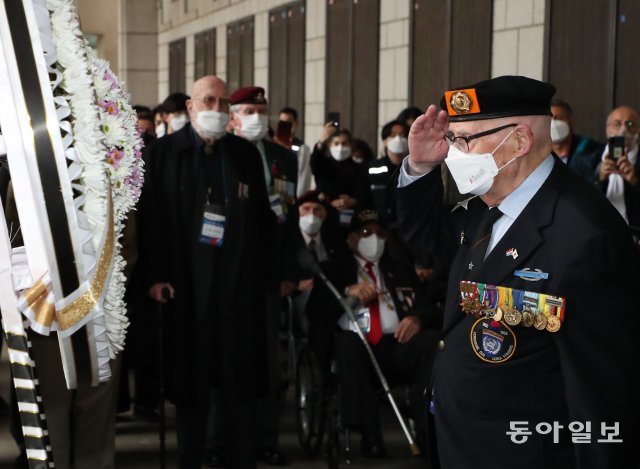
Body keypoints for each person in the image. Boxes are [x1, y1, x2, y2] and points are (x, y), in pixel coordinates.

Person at [395, 75, 640, 468]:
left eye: (465, 140)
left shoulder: (585, 236)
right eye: (452, 139)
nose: (453, 153)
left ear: (520, 141)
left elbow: (603, 394)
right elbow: (425, 240)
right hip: (463, 440)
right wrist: (421, 165)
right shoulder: (484, 206)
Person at [139, 75, 275, 469]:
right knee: (192, 389)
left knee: (239, 388)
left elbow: (263, 220)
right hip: (186, 290)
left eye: (223, 103)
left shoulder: (244, 155)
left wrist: (268, 275)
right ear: (190, 107)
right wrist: (154, 276)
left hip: (237, 290)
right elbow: (150, 222)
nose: (216, 109)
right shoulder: (164, 154)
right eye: (208, 101)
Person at [307, 209, 437, 458]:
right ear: (351, 239)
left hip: (395, 343)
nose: (373, 239)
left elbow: (427, 305)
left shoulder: (399, 268)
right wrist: (347, 293)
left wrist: (416, 318)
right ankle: (369, 432)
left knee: (430, 342)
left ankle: (425, 423)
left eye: (379, 234)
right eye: (366, 233)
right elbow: (315, 312)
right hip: (356, 348)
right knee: (347, 343)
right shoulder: (333, 270)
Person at [227, 85, 297, 465]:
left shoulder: (281, 159)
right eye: (250, 110)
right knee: (230, 358)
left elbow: (288, 224)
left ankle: (265, 438)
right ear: (233, 116)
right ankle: (221, 440)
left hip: (270, 276)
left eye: (261, 110)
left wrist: (288, 271)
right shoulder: (224, 153)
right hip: (232, 277)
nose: (257, 117)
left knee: (269, 361)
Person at [310, 125, 365, 228]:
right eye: (336, 143)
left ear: (351, 145)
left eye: (344, 143)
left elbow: (366, 195)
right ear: (330, 146)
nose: (340, 147)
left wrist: (353, 201)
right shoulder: (323, 165)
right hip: (326, 217)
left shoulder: (360, 168)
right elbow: (314, 161)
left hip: (353, 220)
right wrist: (321, 142)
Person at [358, 119, 409, 224]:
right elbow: (363, 202)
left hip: (409, 228)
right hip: (379, 227)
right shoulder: (371, 168)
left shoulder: (417, 168)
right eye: (393, 135)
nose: (398, 139)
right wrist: (374, 223)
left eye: (402, 135)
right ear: (385, 141)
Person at [596, 106, 640, 225]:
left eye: (630, 124)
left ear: (638, 130)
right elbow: (581, 201)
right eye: (617, 124)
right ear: (607, 130)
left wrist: (635, 181)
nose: (623, 129)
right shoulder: (590, 158)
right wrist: (600, 180)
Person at [550, 98, 601, 180]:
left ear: (570, 122)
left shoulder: (591, 152)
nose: (552, 124)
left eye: (557, 118)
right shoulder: (538, 156)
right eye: (549, 120)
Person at [279, 107, 315, 197]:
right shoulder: (271, 145)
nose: (285, 125)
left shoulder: (302, 148)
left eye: (289, 122)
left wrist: (298, 199)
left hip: (291, 194)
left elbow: (303, 178)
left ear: (296, 123)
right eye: (282, 122)